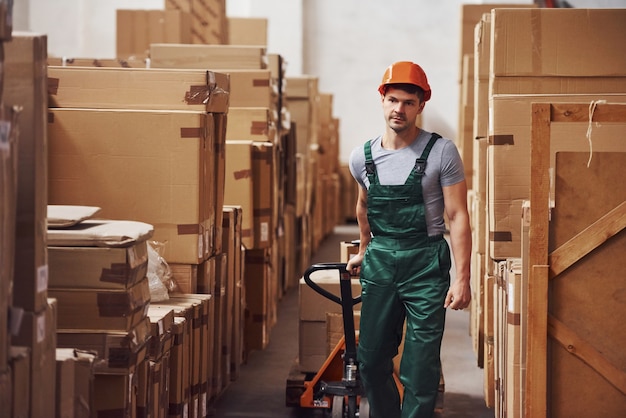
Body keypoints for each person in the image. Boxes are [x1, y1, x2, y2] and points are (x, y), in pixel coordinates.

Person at [346, 61, 472, 418]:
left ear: (421, 106)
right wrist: (364, 249)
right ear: (382, 100)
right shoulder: (362, 158)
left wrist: (463, 279)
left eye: (409, 103)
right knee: (370, 360)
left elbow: (458, 216)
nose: (399, 109)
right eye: (393, 100)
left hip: (425, 264)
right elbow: (362, 207)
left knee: (419, 368)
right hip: (381, 264)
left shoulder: (441, 152)